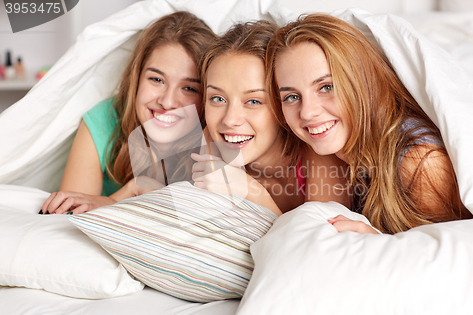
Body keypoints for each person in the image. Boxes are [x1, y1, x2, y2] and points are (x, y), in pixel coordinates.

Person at [266, 13, 473, 233]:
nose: (307, 112)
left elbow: (466, 255)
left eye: (326, 87)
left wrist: (377, 241)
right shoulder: (331, 148)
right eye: (291, 97)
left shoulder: (421, 164)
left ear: (362, 82)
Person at [40, 12, 218, 215]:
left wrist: (125, 198)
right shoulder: (104, 119)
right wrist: (126, 194)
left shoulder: (216, 140)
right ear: (137, 78)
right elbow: (68, 215)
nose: (167, 102)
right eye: (157, 80)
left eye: (189, 89)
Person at [191, 20, 349, 216]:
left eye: (254, 101)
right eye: (218, 98)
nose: (230, 120)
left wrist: (252, 193)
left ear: (282, 104)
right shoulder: (213, 139)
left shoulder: (317, 154)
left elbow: (319, 241)